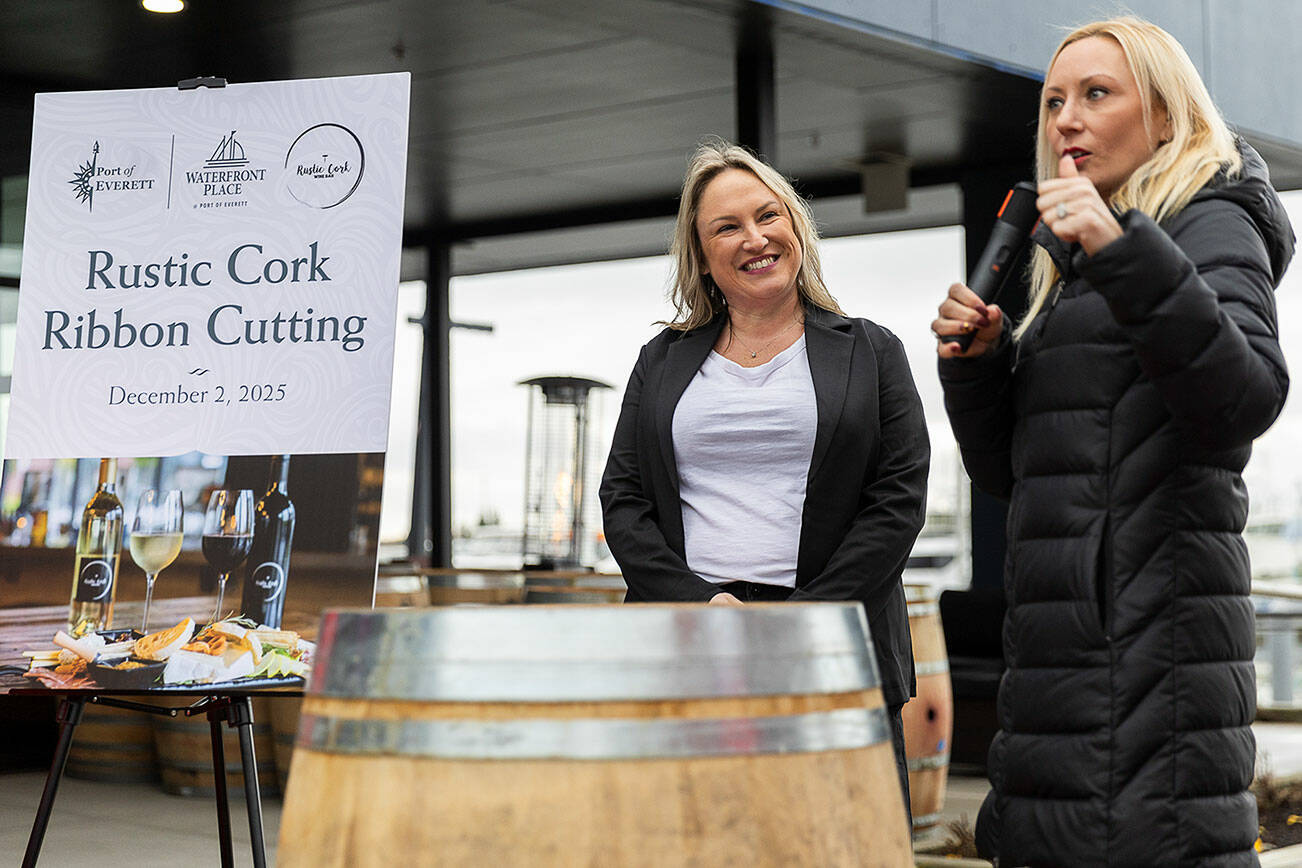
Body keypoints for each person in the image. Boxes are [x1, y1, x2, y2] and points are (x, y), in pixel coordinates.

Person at [933, 16, 1293, 867]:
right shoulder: (1070, 263)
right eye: (1055, 101)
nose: (1065, 120)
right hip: (1056, 668)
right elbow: (1016, 473)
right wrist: (979, 367)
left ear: (1165, 117)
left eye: (1097, 94)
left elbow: (1244, 397)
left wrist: (1122, 246)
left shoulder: (1211, 223)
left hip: (1146, 670)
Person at [599, 138, 930, 814]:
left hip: (837, 646)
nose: (755, 237)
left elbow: (897, 505)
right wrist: (704, 605)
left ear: (795, 227)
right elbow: (623, 501)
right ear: (702, 257)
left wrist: (797, 623)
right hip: (688, 649)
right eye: (727, 226)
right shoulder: (660, 361)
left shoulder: (872, 351)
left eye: (768, 215)